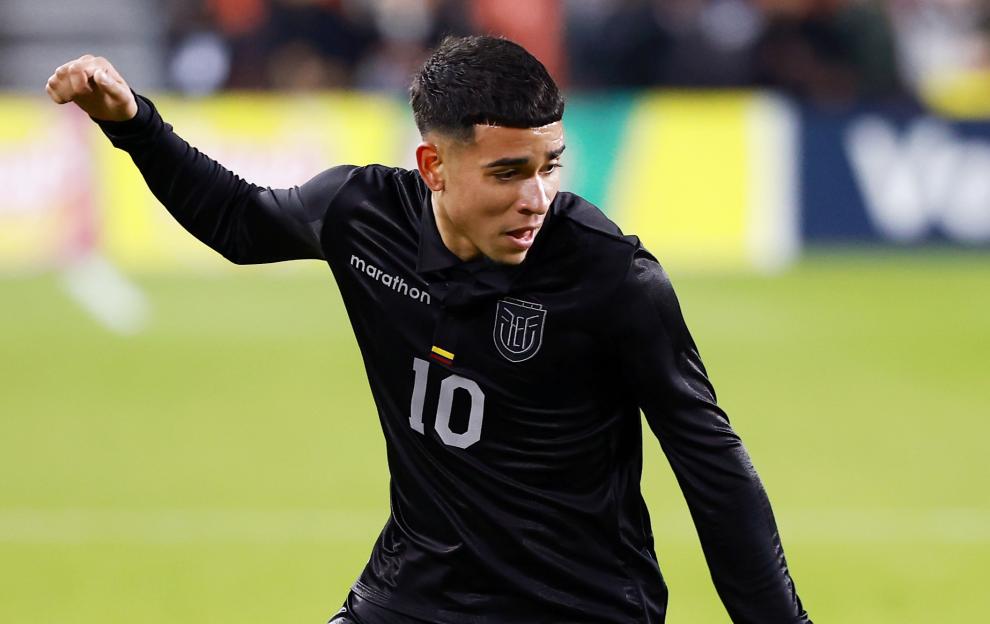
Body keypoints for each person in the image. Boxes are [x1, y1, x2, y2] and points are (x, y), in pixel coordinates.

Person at [46, 36, 812, 624]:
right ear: (434, 166)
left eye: (551, 165)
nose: (537, 197)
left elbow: (714, 470)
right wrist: (132, 125)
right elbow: (242, 224)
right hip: (412, 594)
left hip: (580, 605)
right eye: (508, 173)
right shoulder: (360, 216)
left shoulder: (612, 279)